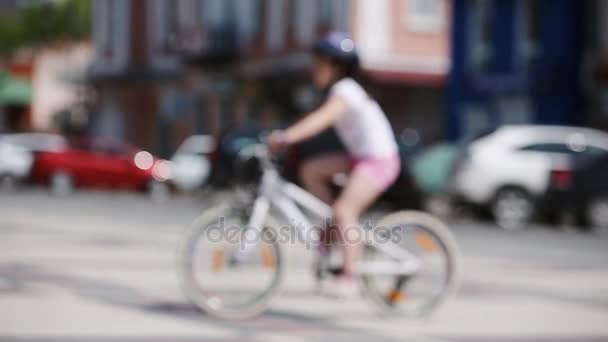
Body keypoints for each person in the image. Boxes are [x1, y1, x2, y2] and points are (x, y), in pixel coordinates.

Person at [267, 32, 401, 297]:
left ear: (337, 67)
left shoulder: (347, 90)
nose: (314, 68)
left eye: (320, 63)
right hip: (358, 159)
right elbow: (315, 117)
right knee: (311, 170)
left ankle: (349, 277)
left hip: (379, 161)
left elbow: (321, 120)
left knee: (345, 209)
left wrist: (286, 137)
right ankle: (335, 222)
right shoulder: (339, 92)